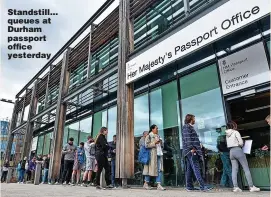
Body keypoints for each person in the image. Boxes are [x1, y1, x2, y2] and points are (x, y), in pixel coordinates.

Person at [225, 122, 260, 192]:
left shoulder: (227, 134)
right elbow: (241, 143)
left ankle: (235, 187)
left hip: (231, 152)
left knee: (234, 170)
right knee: (246, 168)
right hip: (238, 150)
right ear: (234, 126)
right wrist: (241, 144)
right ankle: (251, 186)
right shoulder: (235, 132)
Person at [182, 114, 210, 192]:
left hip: (190, 151)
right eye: (194, 118)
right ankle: (202, 186)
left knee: (190, 169)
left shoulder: (189, 127)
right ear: (191, 119)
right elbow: (188, 139)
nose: (195, 120)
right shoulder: (186, 127)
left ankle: (189, 186)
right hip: (191, 151)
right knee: (196, 168)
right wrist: (192, 148)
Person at [143, 124, 166, 191]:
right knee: (149, 169)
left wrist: (161, 143)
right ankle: (146, 183)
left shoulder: (158, 136)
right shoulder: (149, 136)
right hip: (152, 155)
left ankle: (159, 185)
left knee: (159, 169)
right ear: (152, 129)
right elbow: (146, 145)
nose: (157, 129)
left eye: (157, 128)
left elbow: (161, 146)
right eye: (156, 128)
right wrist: (154, 143)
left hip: (159, 154)